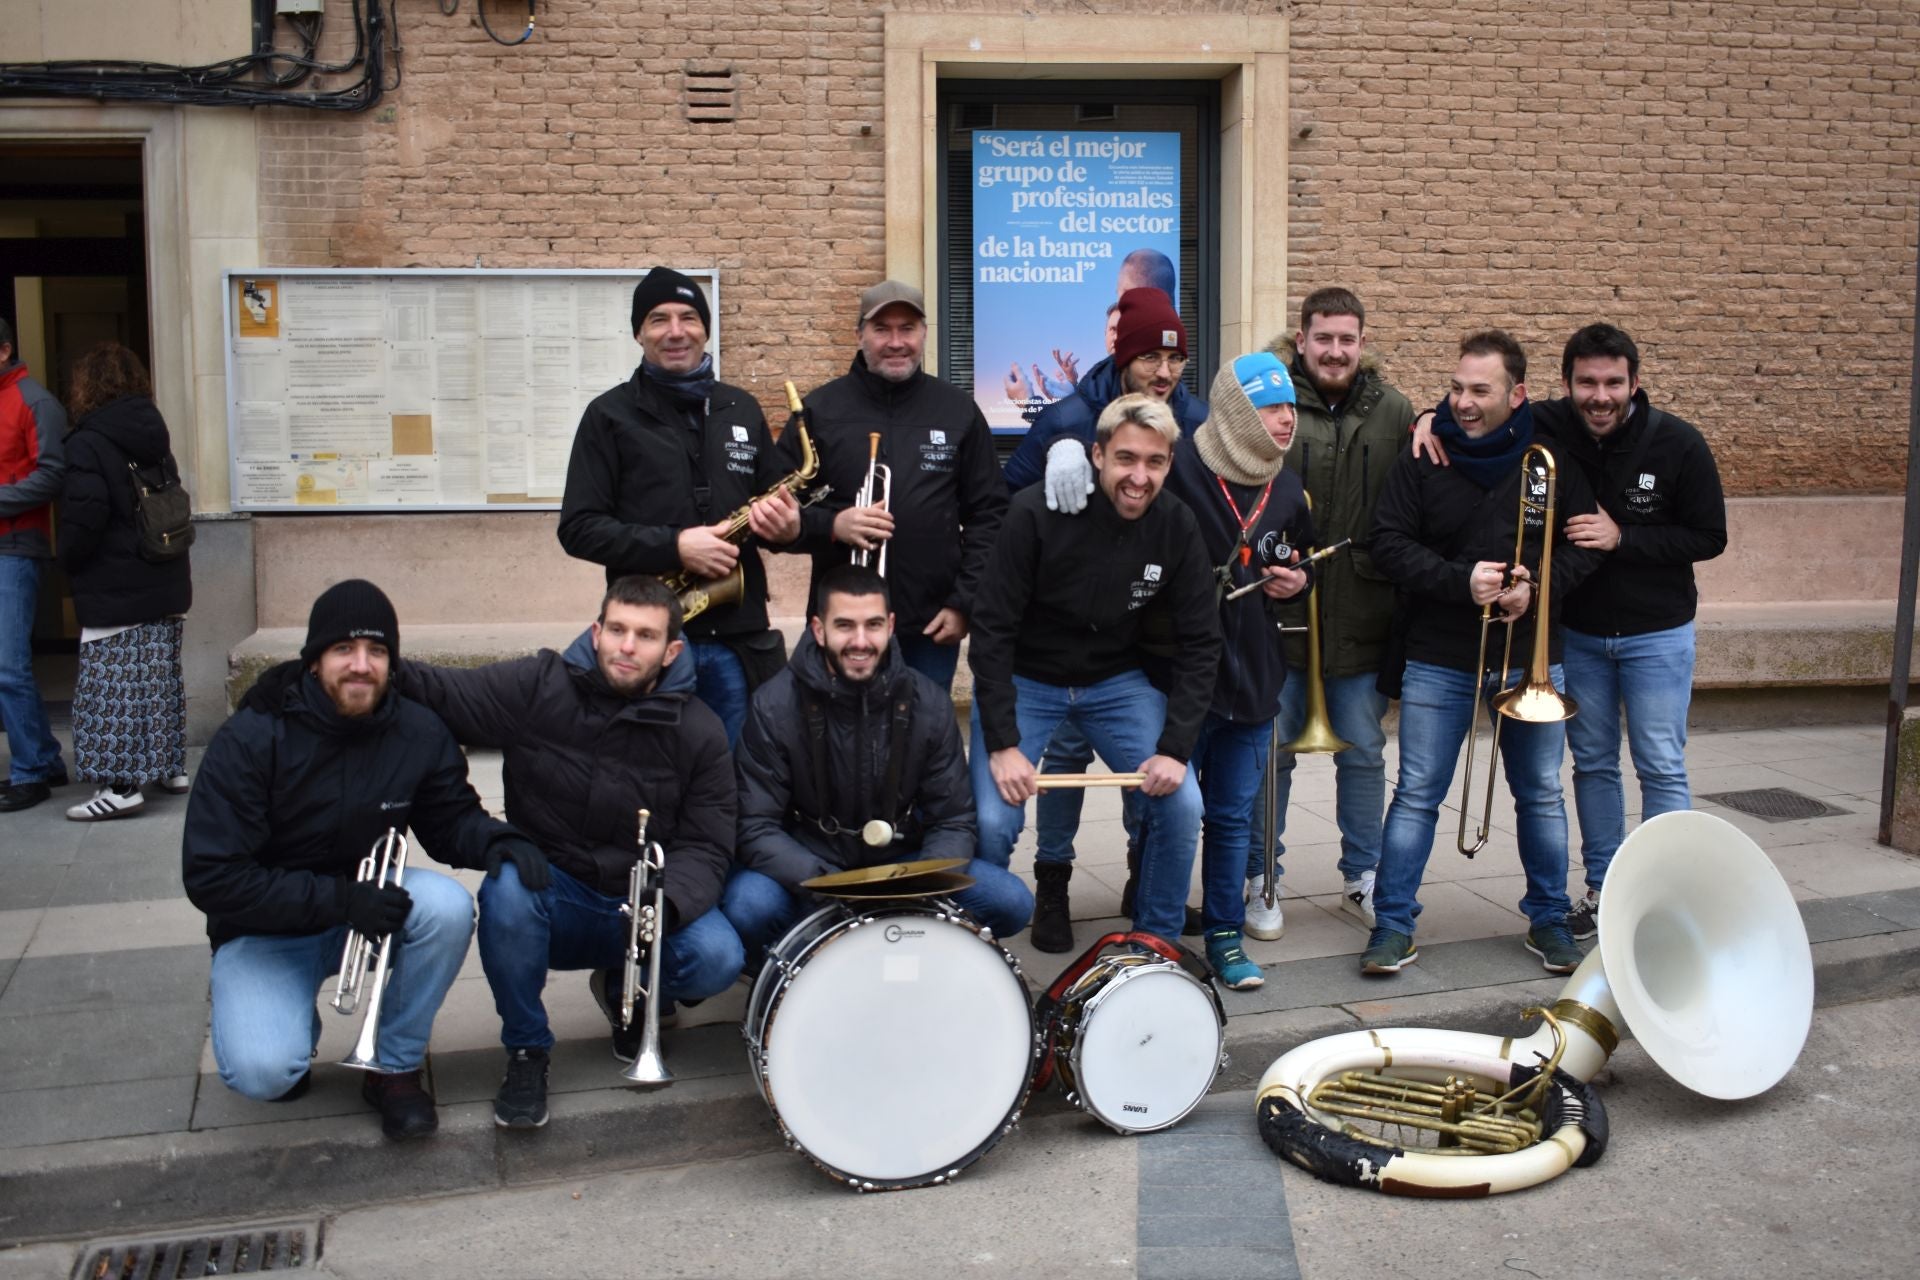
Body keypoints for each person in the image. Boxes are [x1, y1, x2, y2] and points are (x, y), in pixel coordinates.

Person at [394, 574, 743, 1130]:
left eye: (646, 636)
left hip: (643, 904)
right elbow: (443, 692)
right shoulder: (539, 684)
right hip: (560, 894)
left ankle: (625, 988)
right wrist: (369, 657)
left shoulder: (699, 730)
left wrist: (665, 909)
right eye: (618, 630)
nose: (628, 647)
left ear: (671, 650)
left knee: (719, 956)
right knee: (505, 890)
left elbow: (708, 843)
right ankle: (528, 1050)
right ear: (596, 631)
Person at [182, 580, 522, 1140]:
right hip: (265, 930)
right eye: (344, 650)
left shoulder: (415, 728)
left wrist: (499, 840)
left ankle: (393, 1066)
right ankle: (287, 1019)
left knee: (447, 908)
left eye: (377, 651)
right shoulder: (251, 738)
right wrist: (341, 900)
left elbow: (449, 822)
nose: (361, 665)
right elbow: (214, 877)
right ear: (315, 661)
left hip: (366, 917)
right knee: (265, 1073)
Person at [1363, 331, 1604, 977]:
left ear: (1516, 393)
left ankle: (1549, 918)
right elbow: (1385, 541)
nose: (1461, 403)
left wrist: (1537, 588)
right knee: (1416, 792)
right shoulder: (1425, 453)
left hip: (1530, 654)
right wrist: (1458, 580)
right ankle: (1391, 925)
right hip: (1440, 654)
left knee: (1540, 795)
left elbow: (1583, 545)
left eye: (1479, 390)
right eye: (1456, 388)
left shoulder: (1550, 458)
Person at [969, 393, 1221, 945]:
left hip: (1116, 682)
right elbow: (990, 630)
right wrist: (1003, 743)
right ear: (1097, 455)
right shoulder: (1034, 513)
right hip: (1027, 680)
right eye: (1126, 458)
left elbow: (1203, 641)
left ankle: (1155, 941)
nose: (1139, 476)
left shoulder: (1177, 524)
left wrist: (1175, 748)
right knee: (991, 822)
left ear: (1169, 465)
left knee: (1182, 804)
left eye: (1154, 463)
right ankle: (973, 944)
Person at [723, 563, 1030, 957]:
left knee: (1011, 902)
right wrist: (828, 886)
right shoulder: (773, 705)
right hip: (811, 867)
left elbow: (952, 819)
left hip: (901, 863)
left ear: (890, 626)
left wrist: (918, 887)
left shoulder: (929, 703)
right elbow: (754, 825)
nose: (860, 641)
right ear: (819, 630)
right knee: (748, 905)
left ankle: (914, 951)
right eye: (845, 626)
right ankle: (798, 962)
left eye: (872, 625)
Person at [558, 267, 804, 745]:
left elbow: (777, 507)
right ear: (638, 333)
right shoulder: (607, 415)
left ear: (705, 328)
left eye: (689, 317)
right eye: (658, 319)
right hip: (649, 639)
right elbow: (579, 528)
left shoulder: (741, 408)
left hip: (738, 637)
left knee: (736, 774)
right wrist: (675, 546)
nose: (675, 332)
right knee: (651, 772)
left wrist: (790, 527)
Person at [1536, 324, 1726, 939]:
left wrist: (1625, 539)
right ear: (1566, 385)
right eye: (1586, 382)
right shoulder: (1550, 426)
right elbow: (1482, 407)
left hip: (1658, 633)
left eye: (1613, 382)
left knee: (1661, 765)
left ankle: (1668, 899)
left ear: (1634, 383)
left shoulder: (1679, 443)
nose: (1600, 395)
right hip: (1582, 635)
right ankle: (1605, 891)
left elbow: (1709, 536)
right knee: (1591, 764)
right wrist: (1430, 416)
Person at [1252, 288, 1417, 938]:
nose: (1336, 351)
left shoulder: (1396, 410)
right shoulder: (1272, 401)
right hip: (1280, 617)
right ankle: (1262, 875)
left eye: (1348, 339)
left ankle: (1364, 875)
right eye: (1324, 338)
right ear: (1302, 337)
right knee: (1273, 755)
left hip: (1360, 616)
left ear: (1361, 342)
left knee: (1365, 751)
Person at [1159, 352, 1312, 987]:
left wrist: (1297, 582)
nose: (1285, 419)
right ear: (1235, 410)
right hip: (1181, 679)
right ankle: (1158, 935)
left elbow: (1303, 562)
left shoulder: (1287, 480)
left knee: (1230, 818)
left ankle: (1224, 935)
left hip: (1254, 678)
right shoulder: (1180, 467)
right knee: (1169, 815)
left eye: (1289, 407)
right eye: (1270, 407)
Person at [793, 281, 1007, 690]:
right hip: (840, 625)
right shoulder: (819, 410)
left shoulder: (957, 411)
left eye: (907, 328)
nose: (896, 342)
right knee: (835, 742)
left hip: (928, 627)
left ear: (924, 332)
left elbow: (990, 515)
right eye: (881, 329)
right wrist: (833, 525)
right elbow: (780, 512)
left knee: (921, 742)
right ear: (859, 334)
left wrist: (964, 602)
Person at [54, 343, 192, 820]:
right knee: (158, 679)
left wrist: (65, 561)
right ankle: (171, 768)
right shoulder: (155, 434)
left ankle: (121, 786)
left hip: (115, 583)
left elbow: (83, 519)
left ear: (86, 388)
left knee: (107, 687)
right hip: (164, 574)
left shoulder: (86, 442)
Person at [0, 318, 68, 813]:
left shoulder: (34, 400)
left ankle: (29, 774)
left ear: (4, 350)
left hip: (17, 548)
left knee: (9, 666)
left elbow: (52, 476)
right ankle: (44, 759)